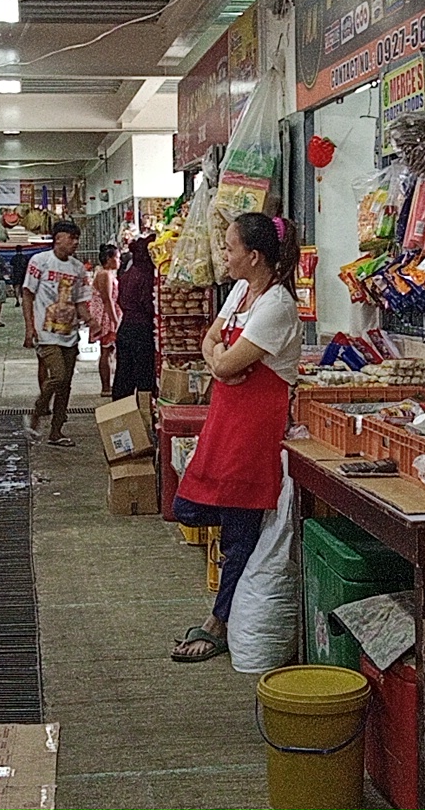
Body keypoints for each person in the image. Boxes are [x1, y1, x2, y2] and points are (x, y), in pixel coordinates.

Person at [169, 212, 302, 663]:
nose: (224, 255)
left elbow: (222, 363)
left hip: (254, 433)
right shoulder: (242, 293)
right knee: (189, 506)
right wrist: (223, 359)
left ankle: (219, 621)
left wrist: (224, 362)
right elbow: (212, 346)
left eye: (229, 248)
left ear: (254, 255)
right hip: (226, 423)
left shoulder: (276, 306)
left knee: (239, 530)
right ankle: (222, 613)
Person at [21, 221, 90, 447]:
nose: (75, 242)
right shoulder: (39, 262)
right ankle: (37, 412)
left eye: (76, 238)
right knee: (58, 376)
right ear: (58, 238)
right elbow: (28, 295)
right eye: (71, 237)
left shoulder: (78, 269)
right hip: (46, 333)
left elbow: (80, 301)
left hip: (70, 334)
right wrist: (30, 328)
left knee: (66, 384)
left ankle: (56, 431)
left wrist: (91, 320)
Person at [111, 235, 158, 400]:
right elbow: (148, 304)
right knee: (144, 375)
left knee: (124, 374)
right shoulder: (145, 275)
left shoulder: (129, 272)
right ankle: (143, 413)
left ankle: (120, 415)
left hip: (126, 327)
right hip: (141, 330)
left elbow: (120, 299)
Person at [89, 243, 119, 397]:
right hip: (105, 316)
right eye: (117, 258)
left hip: (108, 314)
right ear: (109, 259)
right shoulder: (104, 274)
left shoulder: (107, 274)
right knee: (106, 351)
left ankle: (109, 385)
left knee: (109, 350)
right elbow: (107, 300)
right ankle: (106, 387)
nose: (119, 261)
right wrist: (115, 320)